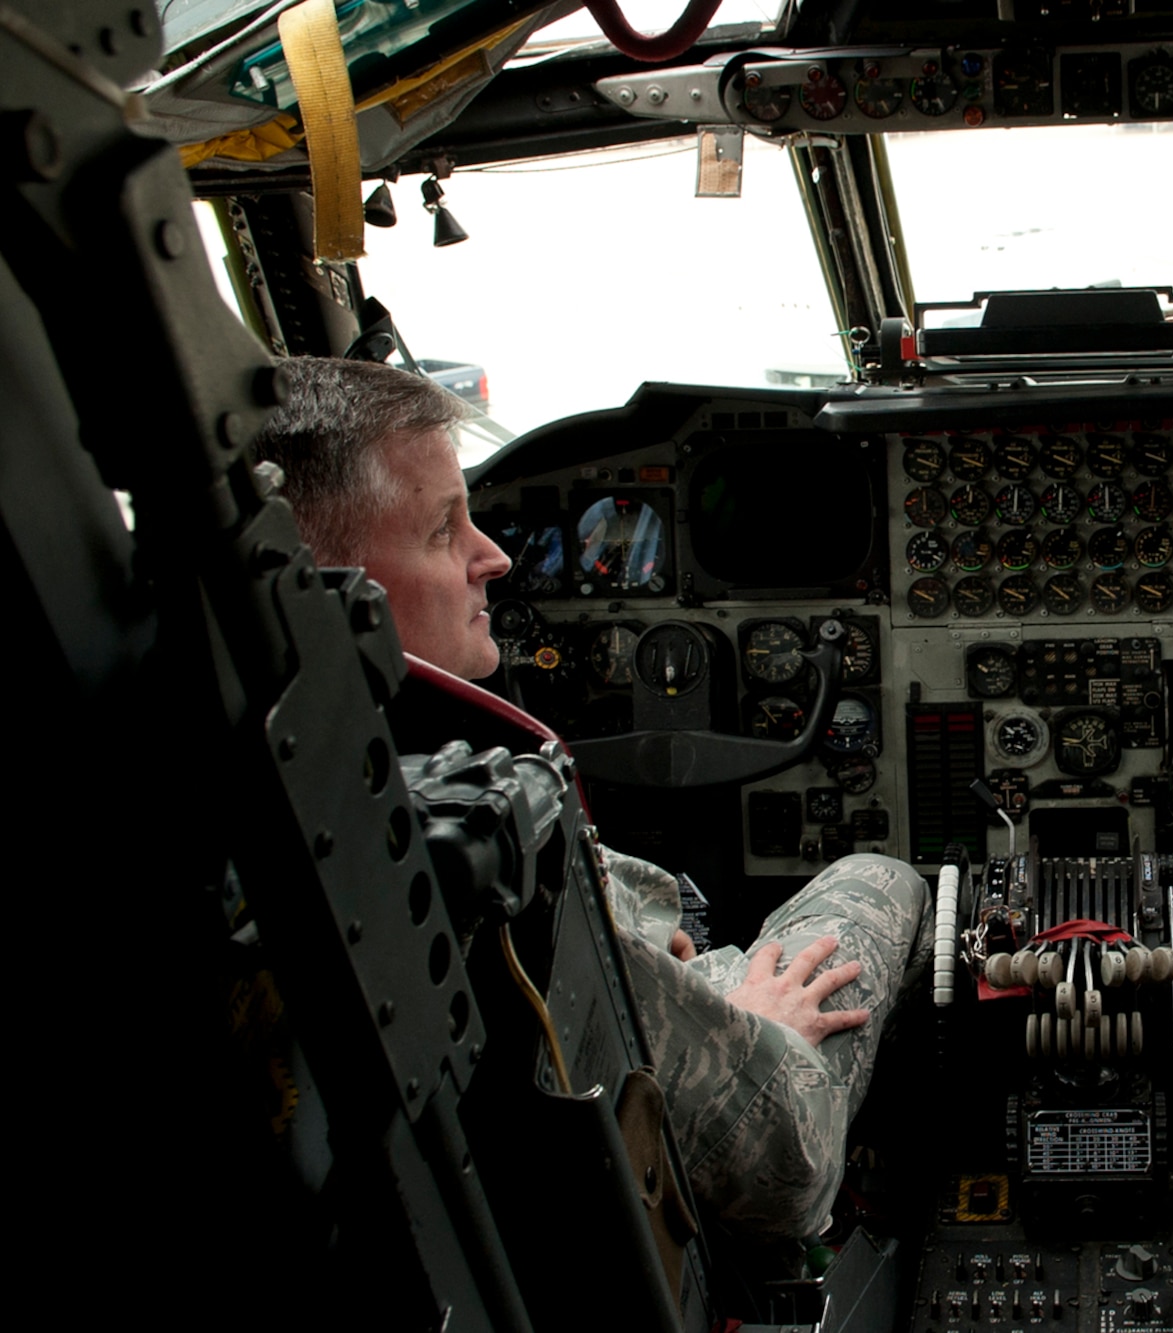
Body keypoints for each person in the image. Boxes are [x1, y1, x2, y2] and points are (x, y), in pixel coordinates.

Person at [250, 357, 932, 1240]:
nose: (491, 555)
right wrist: (758, 1031)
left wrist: (646, 941)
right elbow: (775, 1160)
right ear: (321, 580)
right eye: (441, 529)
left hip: (590, 1087)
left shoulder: (313, 768)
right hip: (711, 1142)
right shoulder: (467, 823)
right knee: (885, 877)